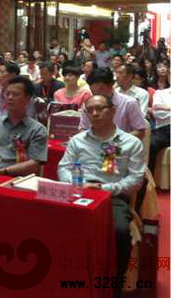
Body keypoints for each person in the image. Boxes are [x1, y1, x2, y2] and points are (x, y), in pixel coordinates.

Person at [58, 94, 144, 287]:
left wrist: (104, 188)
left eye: (100, 109)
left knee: (119, 231)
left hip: (112, 197)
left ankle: (114, 286)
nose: (94, 113)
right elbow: (64, 168)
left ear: (112, 111)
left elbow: (136, 179)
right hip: (78, 192)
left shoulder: (131, 142)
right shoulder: (77, 141)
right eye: (89, 110)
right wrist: (76, 184)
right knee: (51, 222)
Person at [0, 76, 47, 176]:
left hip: (17, 179)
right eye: (7, 94)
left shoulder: (37, 130)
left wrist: (4, 171)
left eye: (15, 94)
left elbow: (34, 164)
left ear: (28, 99)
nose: (10, 98)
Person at [80, 68, 146, 140]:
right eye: (93, 91)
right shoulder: (88, 105)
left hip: (122, 144)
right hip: (93, 143)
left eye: (100, 89)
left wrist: (114, 142)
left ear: (111, 85)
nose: (97, 94)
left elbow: (140, 131)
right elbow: (83, 129)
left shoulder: (129, 103)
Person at [149, 83, 170, 174]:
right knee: (151, 144)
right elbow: (158, 114)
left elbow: (162, 112)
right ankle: (148, 179)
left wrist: (166, 108)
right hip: (164, 130)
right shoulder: (160, 93)